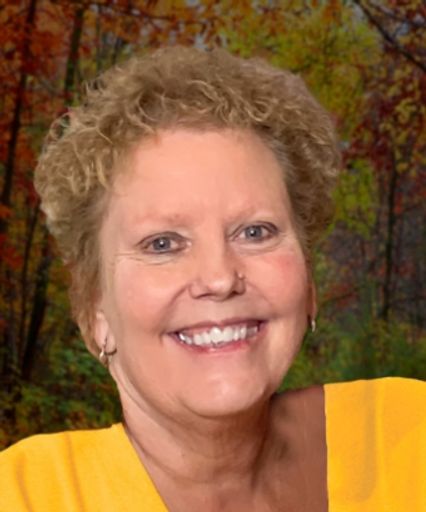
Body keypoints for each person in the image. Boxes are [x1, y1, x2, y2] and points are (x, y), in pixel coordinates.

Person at [0, 46, 424, 512]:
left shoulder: (407, 439)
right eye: (163, 243)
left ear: (308, 284)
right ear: (94, 309)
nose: (220, 278)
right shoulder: (26, 496)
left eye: (255, 232)